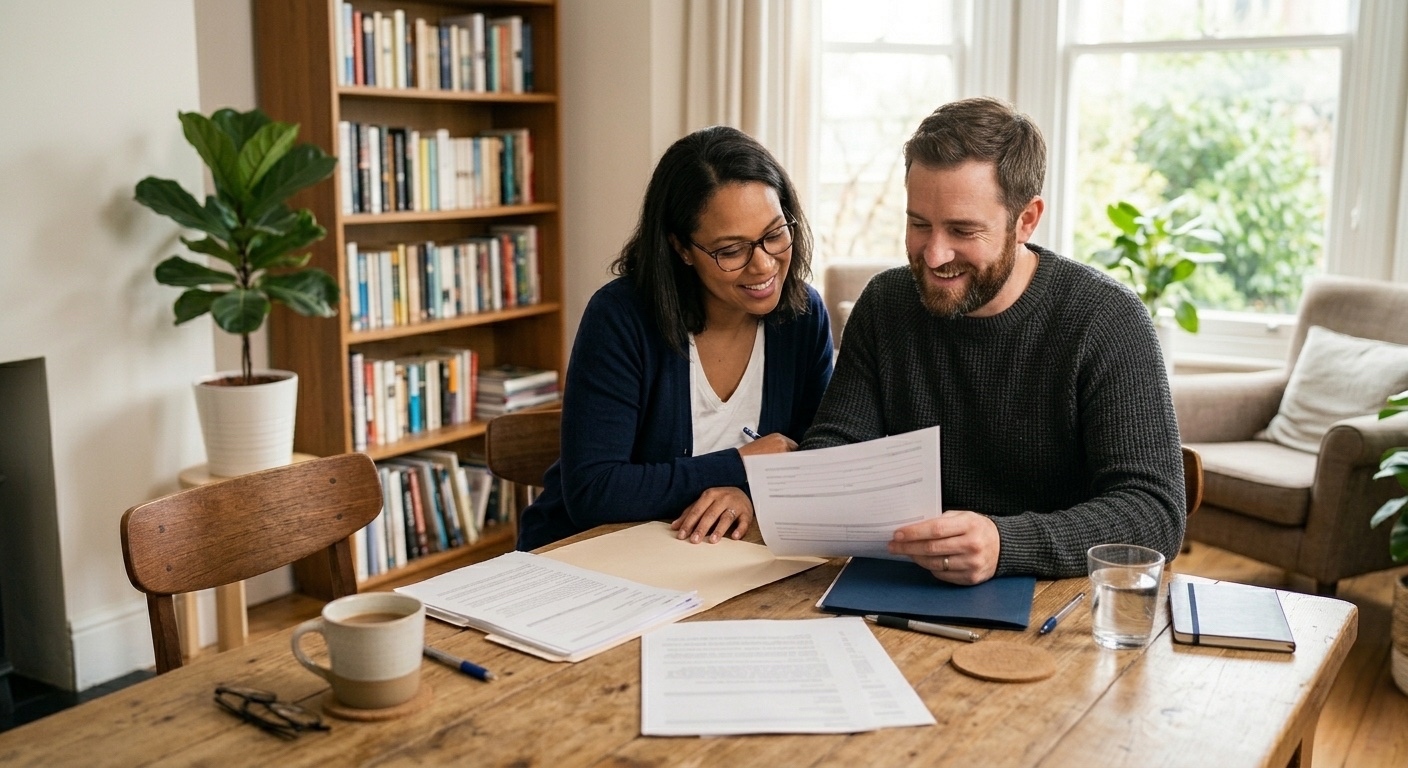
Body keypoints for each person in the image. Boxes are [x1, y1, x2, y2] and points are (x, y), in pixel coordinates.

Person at [801, 97, 1184, 583]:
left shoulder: (1106, 319)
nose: (935, 254)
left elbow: (1154, 513)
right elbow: (837, 447)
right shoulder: (885, 303)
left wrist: (1005, 544)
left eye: (963, 230)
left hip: (1053, 601)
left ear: (1026, 220)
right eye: (919, 224)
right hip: (901, 583)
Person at [516, 125, 834, 552]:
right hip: (582, 557)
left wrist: (748, 495)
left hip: (718, 558)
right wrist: (741, 465)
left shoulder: (802, 316)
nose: (763, 265)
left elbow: (815, 459)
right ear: (682, 249)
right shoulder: (620, 319)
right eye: (731, 250)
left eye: (775, 234)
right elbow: (595, 491)